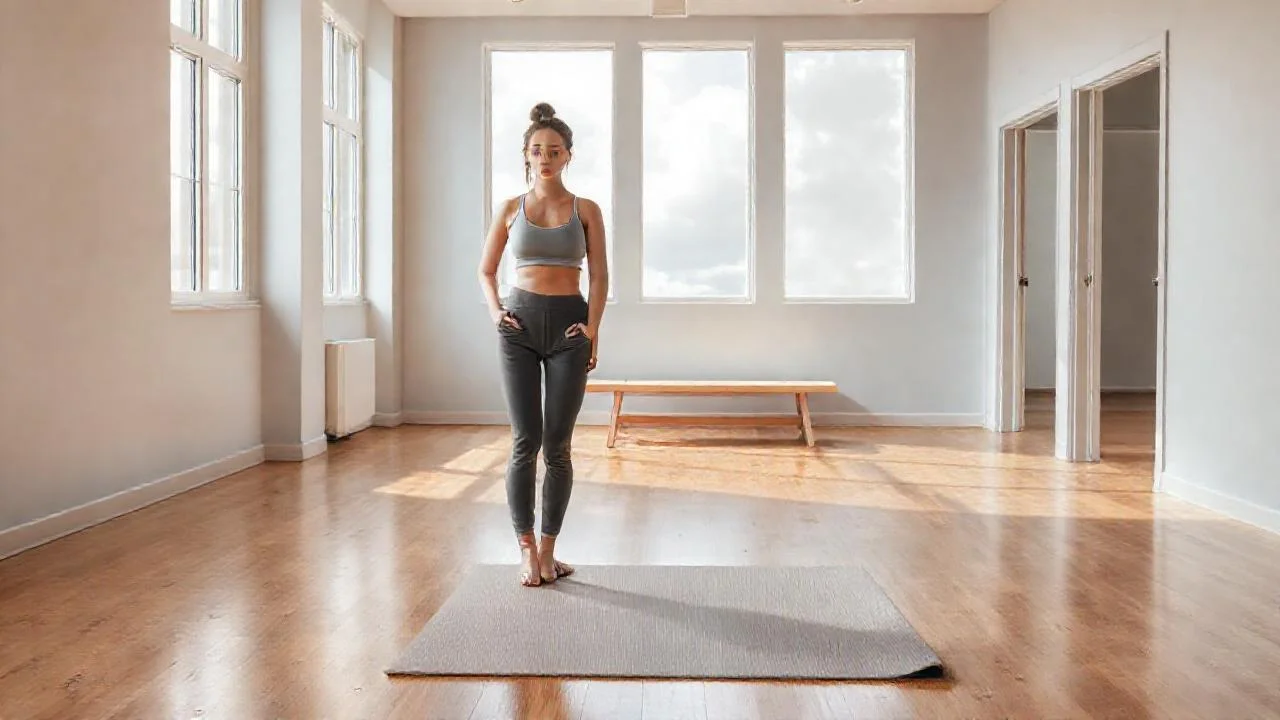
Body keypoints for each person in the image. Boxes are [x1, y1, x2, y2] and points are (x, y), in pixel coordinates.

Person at [478, 102, 609, 587]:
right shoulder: (510, 209)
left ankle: (550, 551)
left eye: (555, 150)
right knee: (524, 441)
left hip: (570, 327)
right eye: (537, 150)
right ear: (526, 155)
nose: (546, 158)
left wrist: (592, 329)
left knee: (557, 445)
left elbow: (600, 277)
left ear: (568, 155)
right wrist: (497, 314)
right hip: (520, 326)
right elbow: (486, 270)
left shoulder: (586, 210)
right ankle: (526, 551)